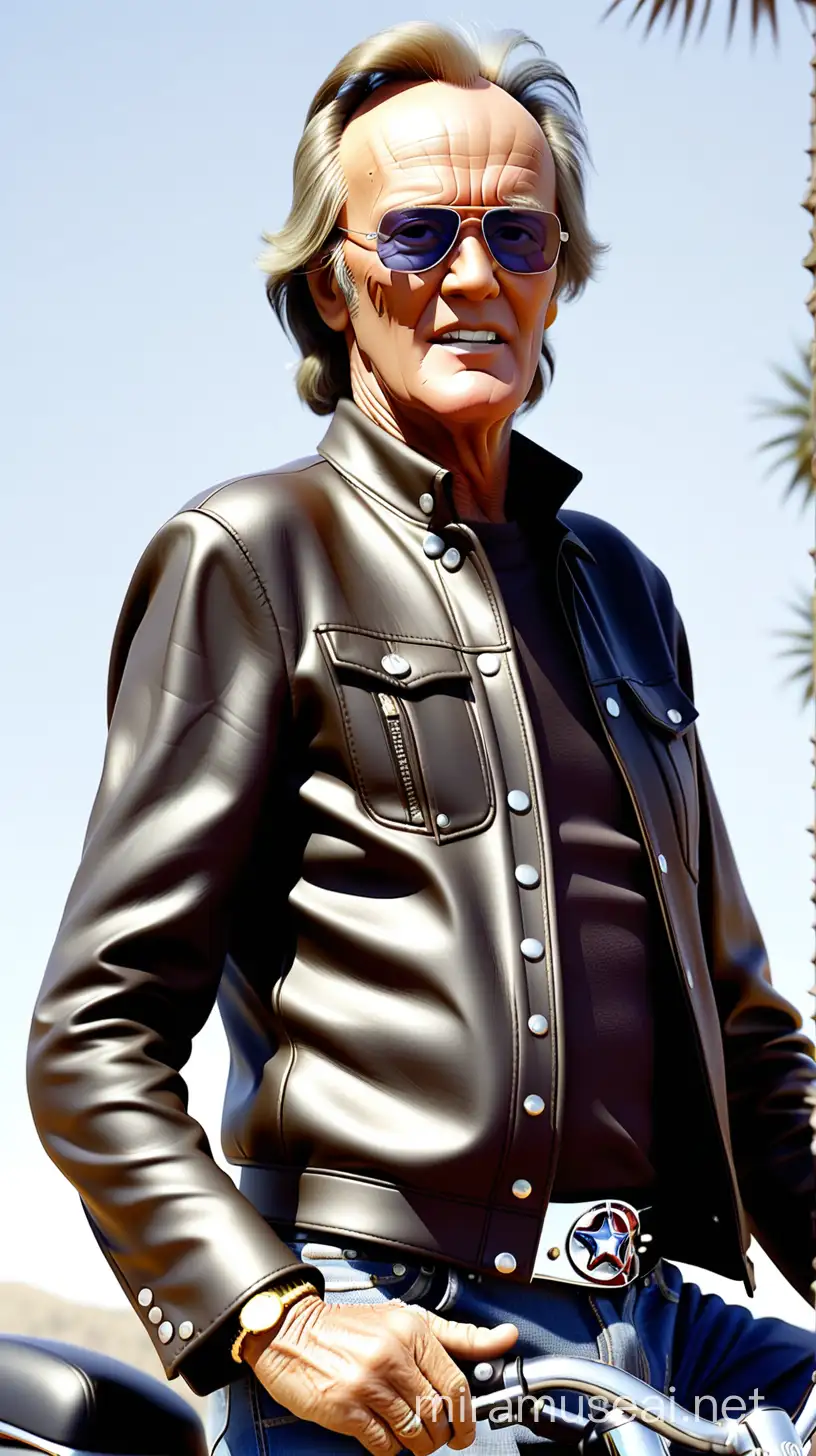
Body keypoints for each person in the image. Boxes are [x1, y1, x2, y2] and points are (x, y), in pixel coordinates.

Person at [27, 21, 816, 1456]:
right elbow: (91, 1042)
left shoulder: (628, 594)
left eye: (519, 232)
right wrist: (274, 1315)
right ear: (333, 281)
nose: (473, 274)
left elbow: (755, 1047)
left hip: (663, 1327)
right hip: (400, 1339)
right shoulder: (252, 555)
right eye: (418, 233)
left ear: (560, 277)